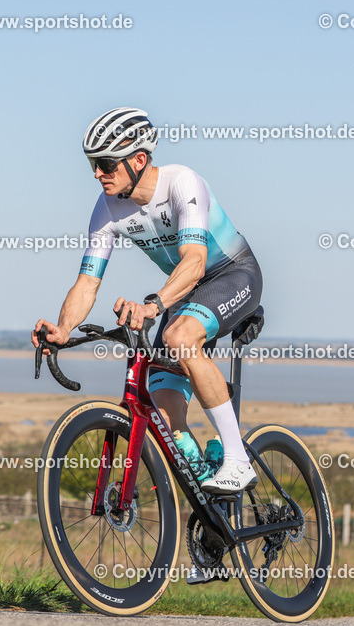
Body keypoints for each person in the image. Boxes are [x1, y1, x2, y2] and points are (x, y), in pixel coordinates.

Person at [31, 107, 263, 494]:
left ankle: (238, 461)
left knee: (180, 338)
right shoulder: (107, 210)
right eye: (92, 164)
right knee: (162, 396)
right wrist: (64, 328)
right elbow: (87, 282)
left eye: (106, 163)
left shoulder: (181, 183)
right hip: (182, 288)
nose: (96, 173)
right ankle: (208, 490)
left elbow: (195, 260)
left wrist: (154, 306)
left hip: (231, 273)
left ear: (139, 159)